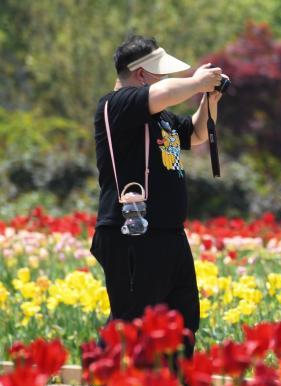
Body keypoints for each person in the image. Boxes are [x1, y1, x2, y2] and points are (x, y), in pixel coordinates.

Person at [90, 35, 227, 361]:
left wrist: (211, 98)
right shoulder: (116, 104)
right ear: (141, 74)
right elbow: (164, 93)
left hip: (167, 233)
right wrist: (195, 82)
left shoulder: (161, 117)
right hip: (131, 233)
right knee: (130, 323)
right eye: (160, 73)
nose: (166, 79)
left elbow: (194, 134)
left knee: (183, 320)